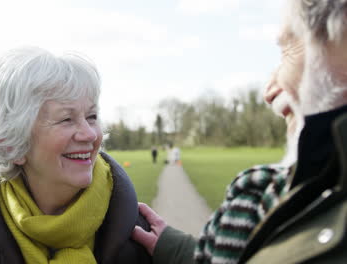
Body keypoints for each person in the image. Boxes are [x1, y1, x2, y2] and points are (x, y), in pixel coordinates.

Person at [132, 0, 347, 263]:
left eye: (288, 48)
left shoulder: (262, 196)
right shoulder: (278, 193)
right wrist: (176, 249)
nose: (269, 93)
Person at [0, 47, 152, 264]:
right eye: (66, 119)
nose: (90, 134)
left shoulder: (140, 231)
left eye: (92, 116)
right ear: (11, 145)